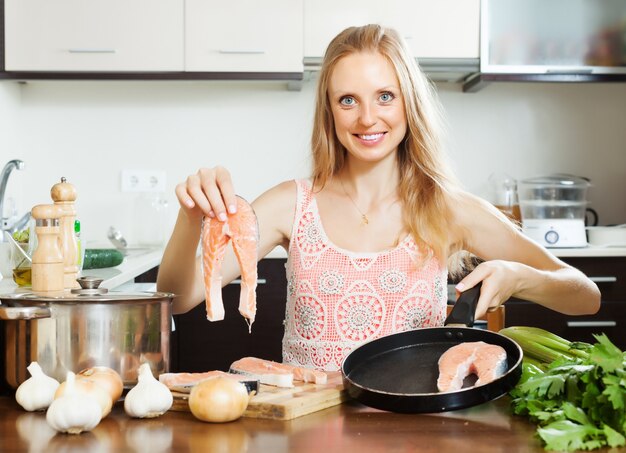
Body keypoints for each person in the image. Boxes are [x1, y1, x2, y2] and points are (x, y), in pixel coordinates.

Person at [157, 24, 600, 371]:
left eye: (385, 96)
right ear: (329, 112)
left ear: (409, 101)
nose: (368, 117)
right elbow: (177, 299)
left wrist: (521, 278)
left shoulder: (449, 208)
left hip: (416, 430)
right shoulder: (291, 205)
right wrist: (191, 217)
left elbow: (585, 295)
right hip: (310, 433)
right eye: (348, 100)